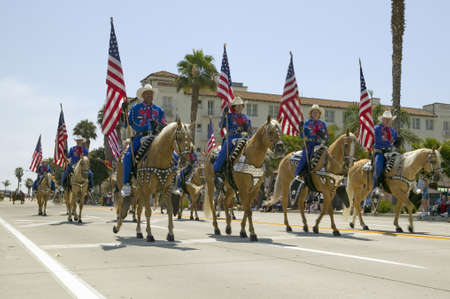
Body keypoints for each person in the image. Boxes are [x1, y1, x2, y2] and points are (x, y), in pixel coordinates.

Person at [121, 84, 167, 197]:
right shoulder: (135, 109)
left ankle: (171, 183)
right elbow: (125, 124)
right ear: (142, 95)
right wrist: (123, 112)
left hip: (156, 138)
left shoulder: (159, 110)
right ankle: (126, 183)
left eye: (151, 93)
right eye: (147, 93)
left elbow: (164, 124)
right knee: (127, 157)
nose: (149, 95)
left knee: (174, 156)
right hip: (140, 137)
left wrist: (159, 126)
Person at [289, 104, 328, 203]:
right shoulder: (307, 123)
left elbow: (326, 137)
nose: (315, 114)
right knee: (306, 156)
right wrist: (301, 128)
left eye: (317, 112)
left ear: (319, 114)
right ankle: (298, 175)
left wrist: (323, 135)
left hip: (319, 144)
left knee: (328, 156)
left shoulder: (322, 124)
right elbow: (302, 135)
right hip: (310, 144)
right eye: (313, 112)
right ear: (311, 114)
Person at [213, 96, 252, 187]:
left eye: (240, 105)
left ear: (242, 106)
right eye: (237, 106)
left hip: (244, 137)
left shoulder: (246, 117)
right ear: (234, 107)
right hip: (232, 137)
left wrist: (247, 130)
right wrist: (224, 114)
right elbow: (221, 125)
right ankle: (217, 170)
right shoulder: (229, 116)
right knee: (226, 146)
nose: (239, 107)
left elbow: (250, 130)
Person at [373, 110, 398, 191]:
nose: (387, 121)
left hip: (390, 152)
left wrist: (397, 143)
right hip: (379, 151)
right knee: (378, 166)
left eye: (389, 119)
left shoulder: (393, 131)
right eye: (386, 119)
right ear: (382, 120)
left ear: (391, 120)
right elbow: (372, 139)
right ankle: (375, 187)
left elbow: (395, 142)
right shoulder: (376, 129)